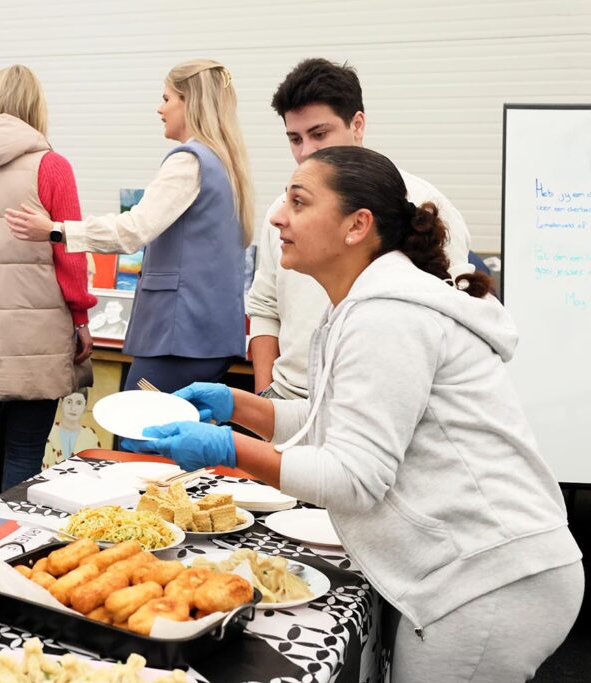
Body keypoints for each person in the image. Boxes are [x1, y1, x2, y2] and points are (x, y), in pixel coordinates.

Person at [124, 146, 583, 682]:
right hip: (485, 570)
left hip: (487, 579)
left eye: (298, 202)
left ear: (356, 226)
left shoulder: (387, 317)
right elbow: (338, 424)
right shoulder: (367, 304)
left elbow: (355, 477)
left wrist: (229, 447)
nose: (277, 216)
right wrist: (237, 406)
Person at [6, 59, 252, 394]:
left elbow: (133, 229)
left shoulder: (187, 162)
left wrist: (56, 230)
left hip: (178, 337)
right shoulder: (226, 165)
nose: (159, 108)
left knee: (138, 436)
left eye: (167, 98)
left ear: (189, 101)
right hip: (210, 336)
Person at [247, 58, 474, 399]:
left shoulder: (419, 204)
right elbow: (264, 306)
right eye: (295, 138)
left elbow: (453, 322)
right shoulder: (281, 214)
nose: (306, 152)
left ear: (357, 124)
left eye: (319, 134)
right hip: (289, 396)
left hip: (375, 404)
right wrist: (265, 398)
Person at [0, 65, 96, 493]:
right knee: (24, 456)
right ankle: (16, 549)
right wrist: (81, 318)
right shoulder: (51, 166)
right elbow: (68, 251)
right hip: (37, 338)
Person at [43, 388, 101, 468]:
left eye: (79, 403)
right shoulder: (48, 432)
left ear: (85, 406)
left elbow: (95, 467)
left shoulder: (90, 436)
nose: (73, 408)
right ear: (61, 402)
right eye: (69, 402)